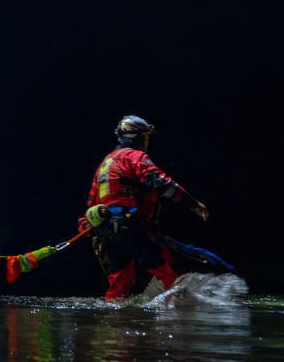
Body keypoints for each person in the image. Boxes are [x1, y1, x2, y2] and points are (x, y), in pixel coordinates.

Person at [81, 115, 209, 299]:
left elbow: (91, 202)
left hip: (105, 230)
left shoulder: (105, 163)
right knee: (166, 270)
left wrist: (93, 233)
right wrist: (193, 203)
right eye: (146, 137)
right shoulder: (132, 156)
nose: (147, 141)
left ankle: (112, 323)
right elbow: (158, 181)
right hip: (126, 223)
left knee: (118, 286)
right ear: (137, 137)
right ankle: (179, 318)